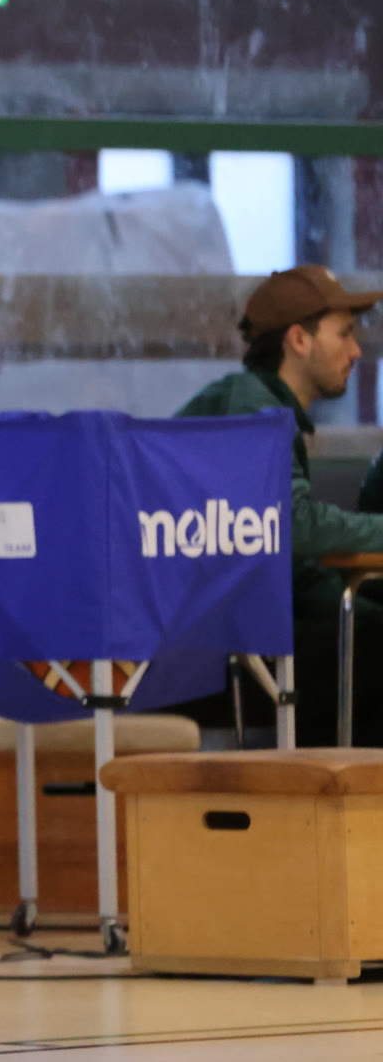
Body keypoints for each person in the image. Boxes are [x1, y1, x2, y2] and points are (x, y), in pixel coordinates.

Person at [179, 264, 383, 746]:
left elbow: (293, 563)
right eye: (344, 334)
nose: (356, 350)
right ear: (298, 339)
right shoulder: (251, 407)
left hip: (235, 629)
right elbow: (290, 526)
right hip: (205, 651)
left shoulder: (262, 406)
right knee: (371, 647)